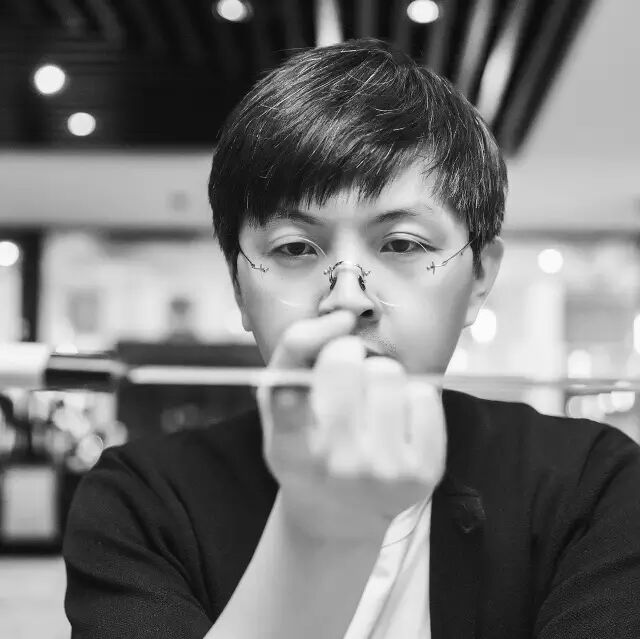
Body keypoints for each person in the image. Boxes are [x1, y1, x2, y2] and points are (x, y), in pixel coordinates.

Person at [62, 38, 640, 638]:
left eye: (402, 244)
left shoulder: (593, 485)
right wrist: (321, 535)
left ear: (478, 280)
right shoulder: (142, 501)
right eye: (294, 248)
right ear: (238, 288)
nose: (347, 297)